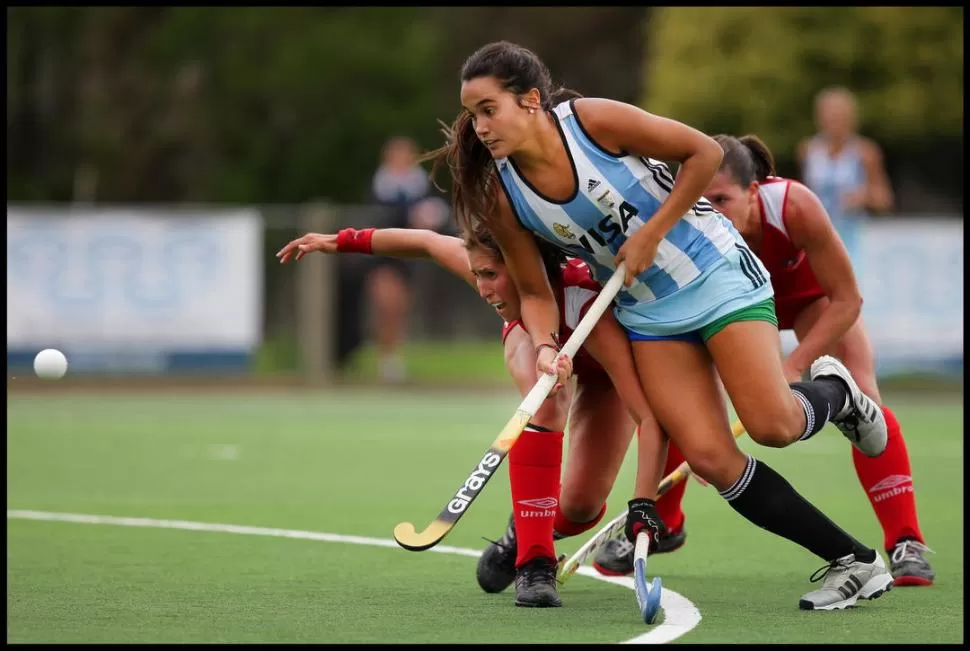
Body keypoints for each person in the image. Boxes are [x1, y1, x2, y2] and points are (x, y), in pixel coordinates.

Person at [425, 40, 895, 611]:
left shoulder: (592, 122)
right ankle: (855, 561)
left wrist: (651, 232)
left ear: (529, 101)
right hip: (647, 309)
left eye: (488, 110)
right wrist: (546, 346)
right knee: (711, 458)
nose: (479, 128)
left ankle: (838, 393)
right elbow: (532, 291)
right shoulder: (503, 193)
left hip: (713, 270)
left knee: (771, 425)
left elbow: (699, 153)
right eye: (472, 115)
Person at [276, 222, 680, 608]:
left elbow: (646, 416)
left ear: (525, 266)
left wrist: (643, 504)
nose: (483, 289)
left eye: (490, 275)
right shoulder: (487, 266)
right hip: (531, 341)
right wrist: (340, 241)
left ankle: (520, 529)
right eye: (477, 275)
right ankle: (535, 565)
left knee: (581, 508)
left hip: (602, 372)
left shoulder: (587, 303)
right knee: (547, 401)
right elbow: (427, 243)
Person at [594, 134, 934, 588]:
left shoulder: (794, 207)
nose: (710, 211)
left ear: (754, 192)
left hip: (810, 304)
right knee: (682, 409)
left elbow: (847, 299)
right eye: (700, 200)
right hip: (727, 307)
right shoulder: (680, 224)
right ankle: (667, 525)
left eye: (722, 199)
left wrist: (795, 367)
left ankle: (905, 541)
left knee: (866, 393)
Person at [366, 136, 449, 382]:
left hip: (409, 258)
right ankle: (386, 358)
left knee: (400, 308)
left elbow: (437, 207)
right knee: (386, 304)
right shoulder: (381, 185)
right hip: (383, 254)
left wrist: (432, 214)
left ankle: (394, 357)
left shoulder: (419, 184)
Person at [797, 87, 894, 262]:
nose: (834, 122)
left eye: (839, 117)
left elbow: (885, 200)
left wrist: (864, 196)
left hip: (853, 237)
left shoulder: (866, 152)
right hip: (817, 238)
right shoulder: (808, 150)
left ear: (852, 119)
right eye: (829, 116)